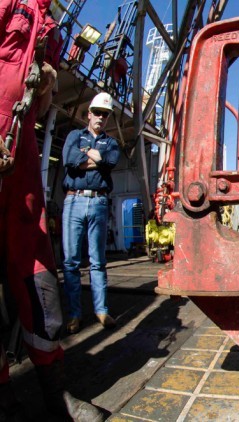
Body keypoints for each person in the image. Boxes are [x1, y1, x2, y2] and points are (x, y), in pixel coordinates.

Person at [0, 0, 103, 419]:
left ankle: (56, 394)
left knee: (39, 277)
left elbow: (42, 108)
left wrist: (44, 85)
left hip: (20, 156)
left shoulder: (50, 25)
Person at [62, 92, 120, 334]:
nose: (101, 117)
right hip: (73, 201)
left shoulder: (112, 143)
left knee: (98, 261)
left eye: (105, 114)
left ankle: (101, 310)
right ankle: (74, 314)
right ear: (89, 114)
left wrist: (88, 155)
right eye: (97, 112)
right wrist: (98, 159)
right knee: (71, 262)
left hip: (98, 202)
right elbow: (69, 160)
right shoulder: (75, 136)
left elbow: (112, 160)